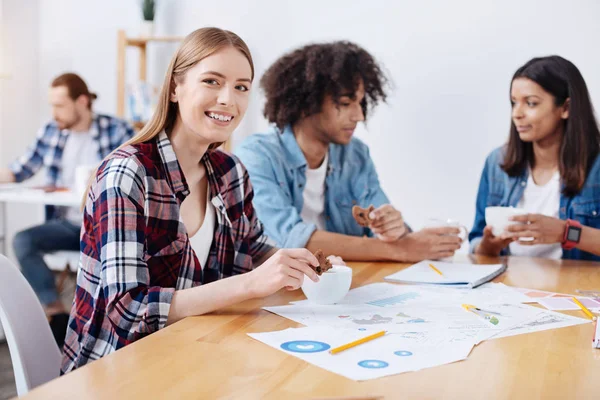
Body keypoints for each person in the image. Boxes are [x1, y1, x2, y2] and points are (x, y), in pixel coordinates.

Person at [61, 28, 332, 373]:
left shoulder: (230, 172)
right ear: (176, 87)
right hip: (116, 369)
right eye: (212, 81)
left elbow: (255, 249)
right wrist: (250, 284)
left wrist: (305, 264)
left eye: (241, 87)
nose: (227, 100)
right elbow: (128, 311)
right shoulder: (128, 174)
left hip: (198, 355)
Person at [235, 42, 462, 262]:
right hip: (281, 290)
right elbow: (291, 240)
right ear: (306, 102)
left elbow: (388, 228)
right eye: (345, 103)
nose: (359, 116)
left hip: (346, 283)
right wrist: (400, 249)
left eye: (360, 103)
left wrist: (394, 228)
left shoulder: (356, 155)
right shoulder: (256, 156)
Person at [0, 73, 134, 345]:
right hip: (68, 225)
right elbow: (19, 170)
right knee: (23, 240)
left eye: (60, 106)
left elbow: (137, 170)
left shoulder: (116, 130)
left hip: (103, 226)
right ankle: (55, 313)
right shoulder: (52, 132)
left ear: (82, 101)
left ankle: (104, 328)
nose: (54, 113)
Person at [469, 56, 600, 260]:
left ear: (566, 108)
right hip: (510, 289)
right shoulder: (497, 163)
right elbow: (477, 240)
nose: (516, 114)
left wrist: (565, 232)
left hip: (575, 290)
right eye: (514, 103)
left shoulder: (596, 167)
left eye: (530, 103)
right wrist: (487, 247)